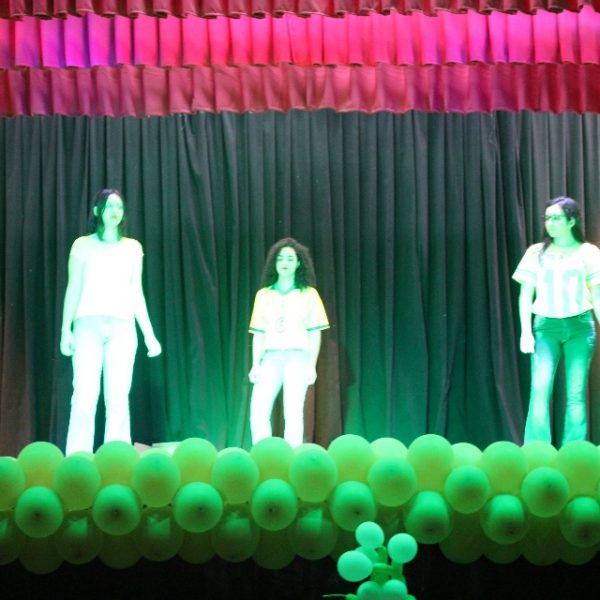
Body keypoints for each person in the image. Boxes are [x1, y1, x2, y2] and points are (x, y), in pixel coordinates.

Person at [60, 189, 161, 455]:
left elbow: (136, 293)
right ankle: (77, 459)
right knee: (84, 396)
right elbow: (73, 288)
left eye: (119, 206)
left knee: (118, 398)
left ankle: (116, 460)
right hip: (87, 325)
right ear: (97, 211)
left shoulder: (132, 248)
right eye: (109, 206)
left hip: (122, 327)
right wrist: (65, 330)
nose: (115, 211)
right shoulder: (82, 245)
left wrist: (149, 335)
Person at [513, 196, 600, 445]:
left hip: (580, 327)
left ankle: (574, 451)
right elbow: (525, 295)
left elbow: (597, 296)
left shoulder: (589, 252)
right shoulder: (536, 253)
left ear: (571, 221)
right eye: (547, 218)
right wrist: (525, 333)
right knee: (540, 390)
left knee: (576, 394)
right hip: (546, 327)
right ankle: (536, 450)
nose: (550, 223)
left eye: (556, 218)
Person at [248, 238, 329, 447]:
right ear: (274, 263)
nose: (285, 262)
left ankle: (291, 457)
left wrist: (311, 365)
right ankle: (263, 455)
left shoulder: (309, 294)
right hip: (270, 358)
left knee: (293, 412)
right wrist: (256, 365)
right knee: (258, 410)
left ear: (299, 263)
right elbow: (259, 333)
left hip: (297, 358)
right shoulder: (263, 295)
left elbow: (314, 333)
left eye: (290, 259)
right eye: (281, 258)